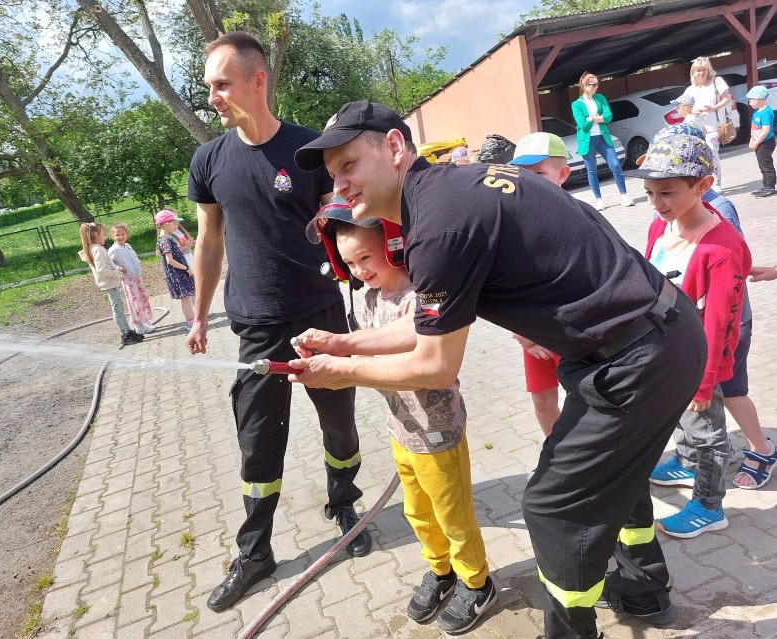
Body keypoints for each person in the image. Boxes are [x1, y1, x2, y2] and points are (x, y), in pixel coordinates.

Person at [290, 100, 707, 639]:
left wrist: (341, 374)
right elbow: (428, 323)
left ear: (394, 147)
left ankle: (571, 631)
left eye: (349, 165)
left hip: (638, 355)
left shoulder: (437, 226)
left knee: (552, 507)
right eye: (332, 176)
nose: (340, 186)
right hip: (655, 333)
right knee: (616, 474)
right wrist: (346, 344)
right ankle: (645, 590)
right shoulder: (447, 192)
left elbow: (436, 365)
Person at [183, 31, 369, 613]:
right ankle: (256, 549)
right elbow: (209, 241)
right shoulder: (209, 160)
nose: (212, 95)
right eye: (208, 85)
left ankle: (344, 500)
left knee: (339, 423)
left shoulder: (310, 149)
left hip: (320, 317)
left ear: (256, 80)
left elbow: (347, 218)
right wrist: (199, 314)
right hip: (255, 327)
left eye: (221, 83)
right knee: (258, 443)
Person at [308, 199, 495, 634]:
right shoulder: (369, 298)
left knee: (454, 515)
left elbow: (419, 358)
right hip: (401, 430)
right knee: (418, 513)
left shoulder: (420, 295)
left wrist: (344, 367)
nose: (358, 270)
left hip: (437, 432)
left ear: (394, 245)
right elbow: (361, 347)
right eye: (349, 262)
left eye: (366, 258)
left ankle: (477, 581)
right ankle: (441, 570)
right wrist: (324, 347)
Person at [634, 131, 751, 537]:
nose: (656, 203)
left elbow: (722, 320)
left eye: (666, 193)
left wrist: (704, 385)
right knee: (681, 420)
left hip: (699, 361)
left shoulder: (722, 247)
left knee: (709, 433)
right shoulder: (658, 227)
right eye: (650, 192)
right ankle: (683, 462)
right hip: (666, 351)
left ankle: (709, 504)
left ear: (702, 185)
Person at [701, 188, 776, 489]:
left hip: (729, 321)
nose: (657, 199)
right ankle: (721, 447)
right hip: (702, 321)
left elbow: (735, 257)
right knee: (712, 391)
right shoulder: (669, 212)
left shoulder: (720, 208)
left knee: (731, 390)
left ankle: (762, 449)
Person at [506, 132, 571, 436]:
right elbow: (505, 285)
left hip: (567, 331)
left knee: (583, 399)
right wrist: (524, 334)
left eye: (539, 174)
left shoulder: (575, 219)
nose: (528, 182)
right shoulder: (513, 222)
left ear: (563, 174)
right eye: (523, 175)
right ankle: (557, 459)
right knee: (543, 401)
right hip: (531, 334)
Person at [571, 72, 633, 210]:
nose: (596, 87)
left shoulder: (600, 98)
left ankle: (624, 195)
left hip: (603, 137)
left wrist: (592, 119)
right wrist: (598, 118)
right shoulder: (576, 104)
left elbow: (609, 116)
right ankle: (599, 200)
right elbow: (583, 125)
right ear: (584, 86)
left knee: (615, 165)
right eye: (592, 84)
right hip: (587, 140)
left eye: (597, 84)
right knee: (591, 170)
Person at [78, 222, 144, 346]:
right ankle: (124, 334)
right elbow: (101, 269)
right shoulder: (97, 249)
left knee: (119, 307)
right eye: (103, 234)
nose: (105, 236)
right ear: (96, 235)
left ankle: (128, 331)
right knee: (117, 309)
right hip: (109, 284)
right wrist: (116, 273)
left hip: (111, 283)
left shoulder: (97, 248)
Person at [682, 56, 732, 192]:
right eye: (698, 70)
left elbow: (727, 99)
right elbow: (683, 108)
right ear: (693, 72)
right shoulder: (690, 90)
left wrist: (713, 107)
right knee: (700, 157)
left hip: (713, 127)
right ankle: (704, 183)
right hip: (698, 128)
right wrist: (693, 111)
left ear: (708, 70)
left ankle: (716, 183)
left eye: (703, 70)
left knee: (712, 154)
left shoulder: (717, 82)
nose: (701, 73)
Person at [108, 222, 155, 335]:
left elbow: (134, 257)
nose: (120, 237)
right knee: (134, 302)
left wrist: (138, 264)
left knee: (142, 299)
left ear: (126, 234)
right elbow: (110, 263)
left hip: (137, 276)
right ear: (113, 236)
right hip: (128, 280)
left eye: (122, 234)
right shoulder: (113, 250)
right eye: (117, 235)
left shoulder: (128, 246)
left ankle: (145, 322)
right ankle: (138, 326)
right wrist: (119, 268)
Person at [155, 209, 196, 329]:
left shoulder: (167, 238)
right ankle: (190, 322)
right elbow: (170, 260)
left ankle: (192, 319)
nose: (176, 226)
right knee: (185, 298)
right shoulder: (165, 240)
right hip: (177, 273)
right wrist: (185, 268)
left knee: (186, 297)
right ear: (166, 224)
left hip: (179, 272)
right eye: (174, 223)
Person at [746, 85, 775, 198]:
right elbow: (755, 128)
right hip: (758, 142)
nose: (749, 103)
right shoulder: (757, 112)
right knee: (762, 165)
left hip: (765, 143)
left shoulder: (766, 112)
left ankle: (771, 186)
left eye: (750, 100)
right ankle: (765, 185)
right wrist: (751, 140)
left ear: (757, 99)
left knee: (766, 165)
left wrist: (756, 142)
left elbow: (765, 130)